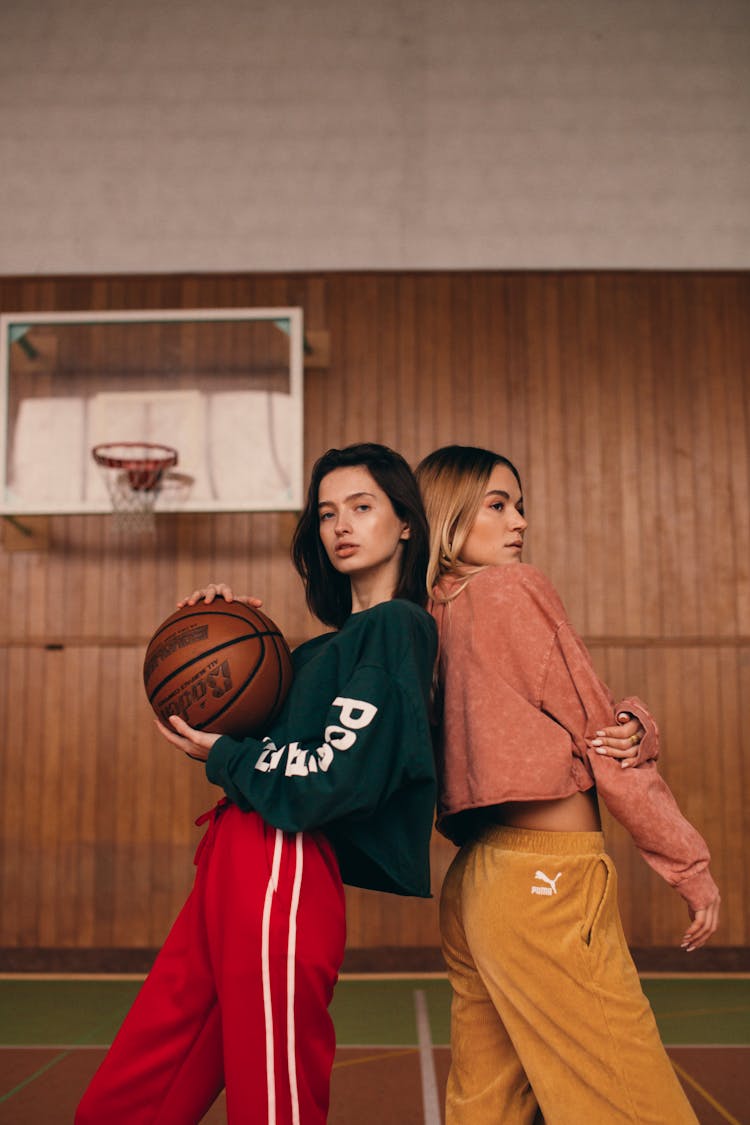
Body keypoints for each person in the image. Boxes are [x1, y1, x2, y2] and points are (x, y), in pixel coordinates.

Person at [76, 443, 438, 1125]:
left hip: (283, 859)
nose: (341, 525)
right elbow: (253, 736)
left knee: (272, 1098)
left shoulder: (398, 627)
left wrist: (229, 758)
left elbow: (332, 778)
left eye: (362, 507)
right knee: (139, 1085)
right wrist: (210, 631)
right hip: (233, 853)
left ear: (406, 523)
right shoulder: (311, 654)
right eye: (327, 512)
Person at [415, 444, 721, 1125]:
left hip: (476, 886)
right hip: (544, 884)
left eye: (520, 505)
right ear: (447, 514)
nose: (518, 521)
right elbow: (599, 732)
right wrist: (687, 861)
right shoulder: (512, 587)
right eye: (497, 504)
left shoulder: (423, 618)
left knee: (487, 1105)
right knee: (634, 1103)